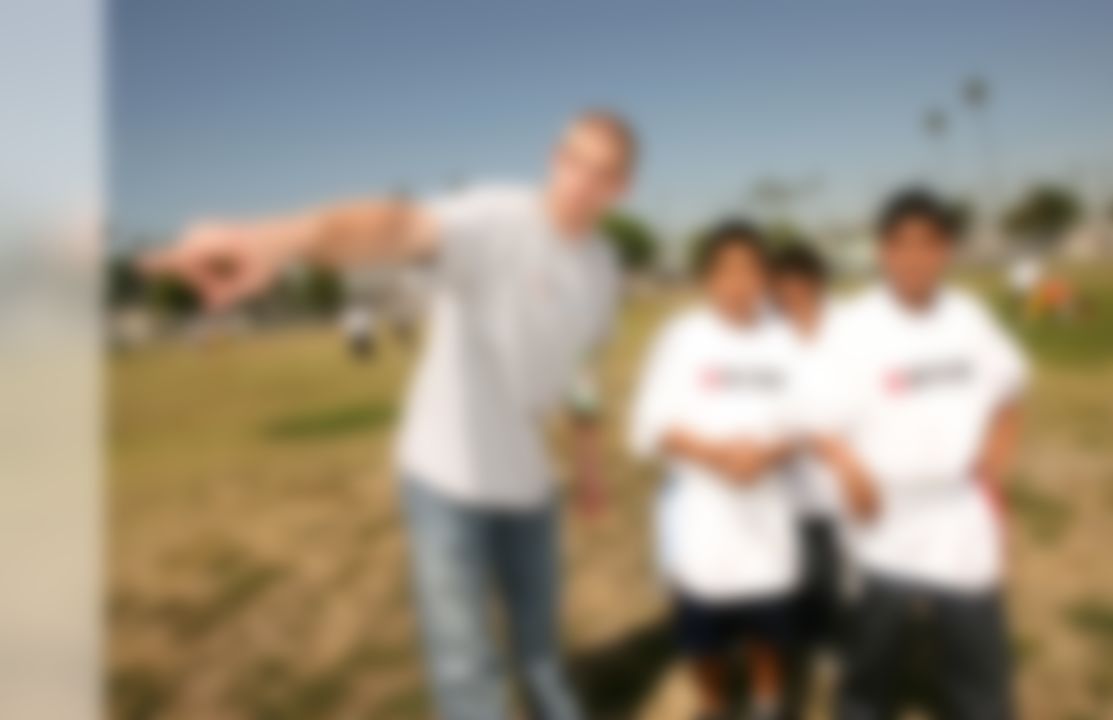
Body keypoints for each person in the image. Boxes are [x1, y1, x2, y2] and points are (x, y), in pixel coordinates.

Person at [141, 109, 638, 720]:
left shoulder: (602, 265)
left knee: (539, 654)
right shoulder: (496, 216)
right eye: (573, 161)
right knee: (466, 670)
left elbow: (582, 374)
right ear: (553, 160)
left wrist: (589, 470)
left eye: (602, 172)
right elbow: (400, 227)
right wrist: (274, 238)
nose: (581, 181)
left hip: (530, 485)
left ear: (621, 188)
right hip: (443, 476)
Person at [808, 189, 1028, 719]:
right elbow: (813, 415)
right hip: (881, 518)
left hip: (957, 516)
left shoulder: (968, 317)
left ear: (947, 250)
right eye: (900, 244)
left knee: (981, 674)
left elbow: (1012, 388)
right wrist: (849, 468)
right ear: (881, 252)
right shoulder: (850, 326)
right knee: (869, 672)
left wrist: (994, 465)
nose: (914, 257)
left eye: (929, 243)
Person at [629, 222, 800, 720]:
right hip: (703, 517)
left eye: (750, 270)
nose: (738, 283)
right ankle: (715, 703)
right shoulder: (680, 338)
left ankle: (768, 703)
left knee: (768, 629)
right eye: (725, 271)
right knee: (704, 637)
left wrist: (768, 454)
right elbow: (650, 424)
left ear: (766, 278)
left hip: (768, 514)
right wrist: (717, 456)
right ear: (706, 279)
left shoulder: (784, 339)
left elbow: (813, 415)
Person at [769, 241, 848, 714]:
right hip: (785, 480)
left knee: (836, 573)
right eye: (784, 284)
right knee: (795, 570)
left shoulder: (849, 330)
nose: (792, 292)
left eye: (801, 282)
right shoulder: (768, 337)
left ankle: (831, 646)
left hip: (837, 477)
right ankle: (803, 643)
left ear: (818, 283)